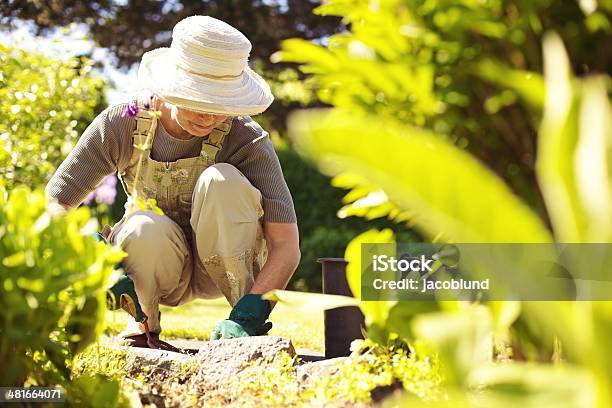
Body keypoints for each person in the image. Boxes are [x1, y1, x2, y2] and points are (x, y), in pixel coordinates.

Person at [45, 15, 300, 346]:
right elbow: (56, 204)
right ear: (170, 88)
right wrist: (90, 253)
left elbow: (286, 245)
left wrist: (254, 309)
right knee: (142, 226)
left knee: (222, 181)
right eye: (198, 100)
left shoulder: (245, 139)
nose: (209, 116)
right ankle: (144, 327)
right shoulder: (123, 123)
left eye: (221, 104)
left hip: (224, 266)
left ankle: (240, 330)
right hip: (151, 264)